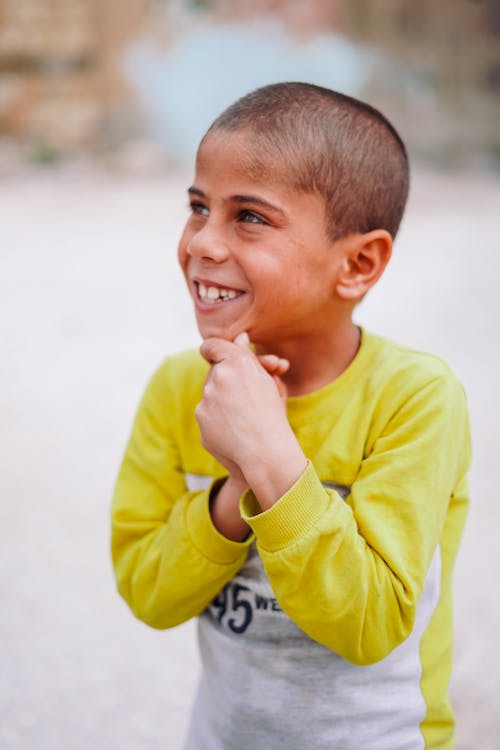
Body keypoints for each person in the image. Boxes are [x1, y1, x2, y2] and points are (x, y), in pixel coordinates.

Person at [111, 82, 471, 750]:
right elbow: (147, 593)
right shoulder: (178, 389)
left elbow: (370, 623)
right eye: (198, 207)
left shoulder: (414, 398)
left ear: (358, 263)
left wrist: (274, 460)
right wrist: (235, 491)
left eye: (249, 217)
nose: (203, 243)